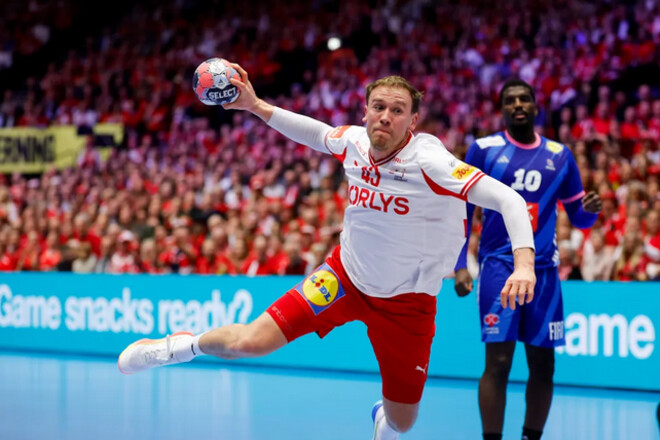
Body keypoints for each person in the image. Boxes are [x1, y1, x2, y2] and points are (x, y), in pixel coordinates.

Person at [118, 66, 537, 440]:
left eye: (397, 110)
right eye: (378, 107)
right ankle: (178, 347)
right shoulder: (354, 143)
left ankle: (383, 420)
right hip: (343, 279)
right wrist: (256, 106)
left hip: (409, 304)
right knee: (251, 342)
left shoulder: (431, 162)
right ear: (365, 112)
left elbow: (510, 200)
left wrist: (524, 265)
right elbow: (316, 133)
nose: (385, 116)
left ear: (412, 120)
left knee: (403, 421)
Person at [453, 79, 602, 440]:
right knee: (499, 362)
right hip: (498, 267)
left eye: (524, 99)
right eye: (510, 100)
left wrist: (590, 211)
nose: (518, 105)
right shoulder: (483, 150)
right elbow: (463, 210)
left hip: (544, 272)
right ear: (502, 109)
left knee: (543, 364)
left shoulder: (560, 155)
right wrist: (459, 265)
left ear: (536, 106)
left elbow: (579, 219)